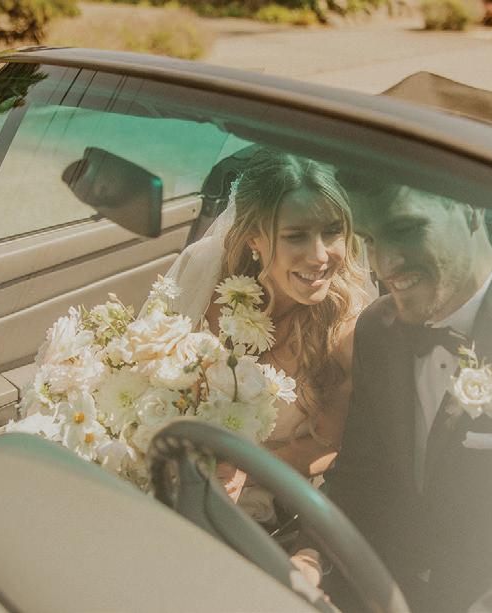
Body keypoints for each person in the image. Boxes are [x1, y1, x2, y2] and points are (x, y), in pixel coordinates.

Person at [321, 178, 492, 612]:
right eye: (369, 240)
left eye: (406, 229)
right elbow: (358, 475)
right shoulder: (377, 329)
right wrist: (309, 556)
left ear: (472, 207)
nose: (383, 265)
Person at [163, 147, 375, 582]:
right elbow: (149, 364)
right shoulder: (204, 271)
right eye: (296, 236)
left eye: (332, 232)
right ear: (256, 239)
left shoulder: (348, 329)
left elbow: (327, 445)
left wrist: (236, 469)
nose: (320, 256)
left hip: (256, 508)